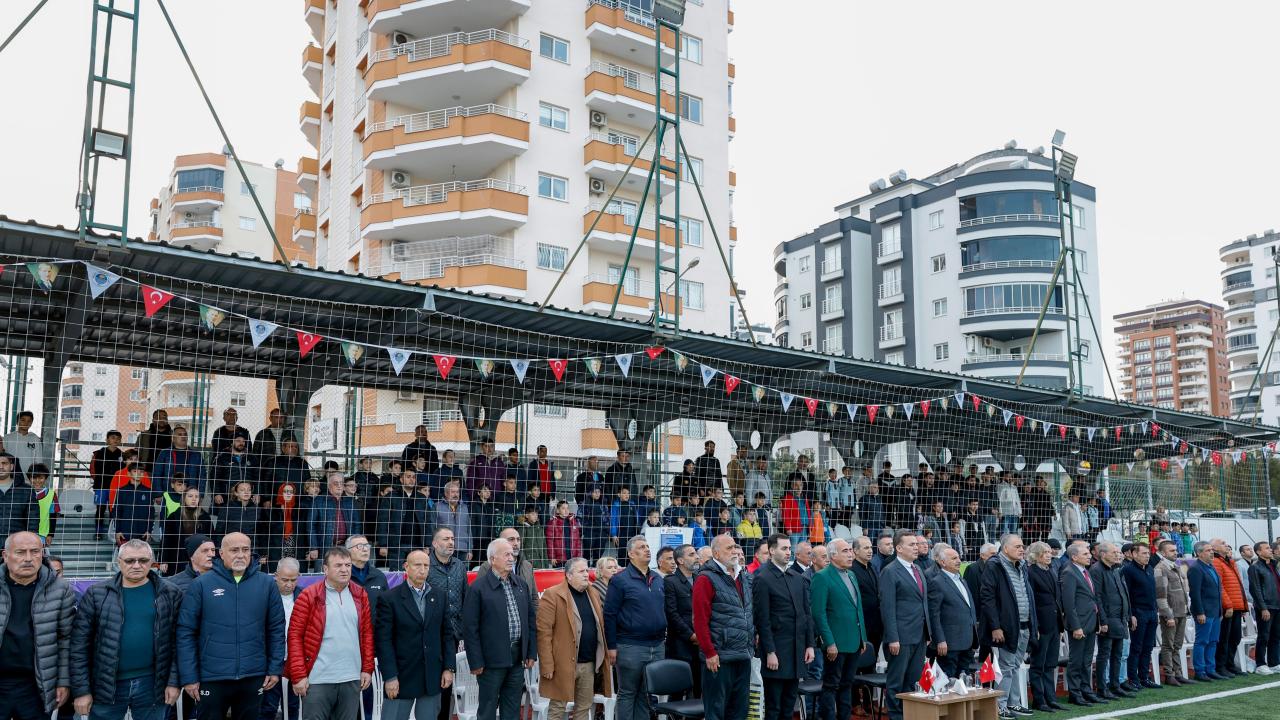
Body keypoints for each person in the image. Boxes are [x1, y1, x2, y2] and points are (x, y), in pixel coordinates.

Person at [176, 532, 286, 720]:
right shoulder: (201, 584)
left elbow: (276, 629)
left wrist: (275, 669)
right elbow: (185, 632)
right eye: (234, 550)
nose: (241, 555)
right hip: (212, 677)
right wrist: (189, 676)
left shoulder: (267, 584)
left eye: (245, 550)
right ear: (221, 553)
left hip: (253, 675)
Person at [70, 539, 181, 720]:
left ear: (152, 562)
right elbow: (79, 646)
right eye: (130, 561)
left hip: (153, 684)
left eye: (143, 560)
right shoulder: (97, 594)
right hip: (106, 685)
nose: (136, 565)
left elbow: (178, 642)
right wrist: (81, 690)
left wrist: (174, 682)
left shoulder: (170, 593)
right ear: (119, 562)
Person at [286, 546, 374, 720]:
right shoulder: (309, 596)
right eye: (338, 565)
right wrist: (298, 675)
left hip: (351, 679)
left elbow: (367, 634)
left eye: (348, 565)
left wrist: (367, 668)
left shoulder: (360, 594)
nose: (344, 569)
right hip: (317, 680)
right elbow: (294, 636)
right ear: (325, 569)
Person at [0, 531, 76, 719]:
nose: (28, 558)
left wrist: (63, 681)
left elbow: (66, 639)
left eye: (35, 551)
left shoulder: (60, 589)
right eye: (20, 552)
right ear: (5, 555)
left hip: (35, 686)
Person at [374, 550, 456, 720]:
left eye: (426, 565)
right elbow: (384, 641)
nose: (422, 569)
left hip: (431, 676)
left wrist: (449, 668)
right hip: (401, 676)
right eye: (417, 565)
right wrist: (390, 676)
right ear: (406, 567)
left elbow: (447, 635)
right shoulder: (389, 598)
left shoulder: (439, 596)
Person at [463, 538, 537, 720]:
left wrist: (530, 653)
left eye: (512, 554)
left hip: (517, 658)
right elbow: (470, 628)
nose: (511, 558)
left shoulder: (520, 584)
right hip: (490, 662)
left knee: (512, 709)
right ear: (492, 559)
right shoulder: (478, 588)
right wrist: (476, 662)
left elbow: (530, 620)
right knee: (487, 708)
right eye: (506, 554)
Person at [537, 557, 612, 720]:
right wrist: (547, 665)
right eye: (581, 571)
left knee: (583, 709)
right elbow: (544, 633)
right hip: (562, 664)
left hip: (589, 663)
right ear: (568, 575)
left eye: (587, 570)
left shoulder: (593, 592)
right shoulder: (553, 594)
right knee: (557, 708)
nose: (586, 574)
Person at [604, 535, 666, 720]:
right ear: (631, 554)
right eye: (641, 547)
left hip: (657, 645)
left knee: (645, 694)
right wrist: (612, 646)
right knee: (628, 692)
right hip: (630, 646)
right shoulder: (620, 580)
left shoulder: (657, 579)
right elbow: (609, 614)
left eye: (647, 546)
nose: (647, 549)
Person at [692, 534, 752, 720]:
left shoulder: (741, 575)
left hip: (742, 653)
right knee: (716, 710)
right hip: (719, 656)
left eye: (735, 546)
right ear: (716, 553)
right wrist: (709, 652)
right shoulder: (705, 578)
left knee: (739, 709)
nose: (734, 551)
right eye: (729, 548)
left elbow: (748, 612)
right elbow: (700, 620)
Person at [753, 534, 812, 720]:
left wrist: (810, 644)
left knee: (788, 705)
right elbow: (762, 619)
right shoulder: (762, 578)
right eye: (784, 549)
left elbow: (806, 614)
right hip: (776, 651)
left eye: (789, 548)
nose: (789, 552)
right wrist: (770, 651)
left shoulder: (797, 578)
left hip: (797, 651)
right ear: (771, 551)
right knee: (774, 707)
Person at [810, 538, 867, 720]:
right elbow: (819, 614)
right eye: (845, 551)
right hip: (835, 643)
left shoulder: (851, 575)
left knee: (847, 684)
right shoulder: (822, 577)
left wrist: (862, 638)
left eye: (850, 550)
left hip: (854, 641)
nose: (850, 554)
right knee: (831, 685)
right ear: (832, 555)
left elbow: (858, 608)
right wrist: (830, 642)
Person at [981, 534, 1036, 719]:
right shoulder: (994, 566)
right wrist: (996, 627)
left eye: (1023, 546)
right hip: (1006, 627)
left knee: (1014, 666)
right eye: (1018, 546)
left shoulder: (1022, 566)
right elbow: (987, 598)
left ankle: (1013, 703)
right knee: (1006, 667)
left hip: (1024, 625)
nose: (1022, 549)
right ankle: (1000, 706)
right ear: (1005, 549)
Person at [880, 530, 930, 720]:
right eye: (911, 545)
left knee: (912, 680)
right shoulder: (890, 571)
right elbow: (887, 607)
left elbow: (923, 603)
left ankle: (909, 715)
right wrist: (893, 637)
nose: (916, 547)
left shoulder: (917, 569)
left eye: (916, 544)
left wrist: (929, 632)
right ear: (899, 548)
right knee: (896, 682)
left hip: (919, 635)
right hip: (900, 637)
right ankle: (896, 715)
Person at [1060, 541, 1102, 706]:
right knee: (1076, 660)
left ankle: (1086, 690)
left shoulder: (1085, 571)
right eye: (1085, 554)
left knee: (1086, 660)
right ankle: (1075, 693)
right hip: (1079, 624)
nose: (1089, 555)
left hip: (1090, 622)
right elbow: (1069, 604)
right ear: (1074, 556)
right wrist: (1076, 626)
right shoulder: (1069, 573)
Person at [925, 542, 976, 681]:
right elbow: (934, 614)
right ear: (942, 562)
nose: (959, 561)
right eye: (954, 558)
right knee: (948, 682)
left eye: (958, 557)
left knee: (964, 682)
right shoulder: (937, 582)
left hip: (966, 641)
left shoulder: (961, 580)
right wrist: (940, 640)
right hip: (949, 644)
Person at [260, 558, 301, 720]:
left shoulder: (305, 596)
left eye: (293, 580)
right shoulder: (265, 596)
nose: (289, 584)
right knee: (267, 706)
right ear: (276, 576)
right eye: (285, 580)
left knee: (292, 706)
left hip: (295, 661)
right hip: (270, 660)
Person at [1091, 542, 1133, 700]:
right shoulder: (1097, 570)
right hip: (1108, 619)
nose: (1118, 554)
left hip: (1120, 619)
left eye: (1118, 552)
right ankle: (1102, 688)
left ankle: (1115, 685)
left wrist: (1128, 616)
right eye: (1114, 552)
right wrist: (1102, 621)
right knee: (1105, 654)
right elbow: (1098, 597)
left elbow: (1124, 594)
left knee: (1117, 654)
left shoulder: (1116, 569)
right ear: (1103, 555)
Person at [1026, 541, 1065, 711]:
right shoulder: (1030, 572)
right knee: (1038, 664)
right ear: (1036, 555)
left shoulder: (1052, 571)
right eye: (1045, 552)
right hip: (1041, 626)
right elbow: (1031, 602)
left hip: (1055, 624)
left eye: (1050, 552)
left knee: (1050, 664)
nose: (1049, 555)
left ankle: (1051, 698)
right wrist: (1035, 628)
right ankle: (1039, 700)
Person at [664, 544, 700, 699]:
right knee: (678, 690)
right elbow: (672, 614)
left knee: (699, 687)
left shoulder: (700, 579)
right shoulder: (670, 582)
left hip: (701, 644)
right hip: (680, 645)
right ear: (680, 560)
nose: (697, 557)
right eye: (691, 554)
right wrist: (691, 635)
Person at [1153, 539, 1191, 685]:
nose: (1176, 553)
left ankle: (1178, 673)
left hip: (1181, 611)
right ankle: (1169, 675)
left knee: (1178, 645)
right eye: (1172, 551)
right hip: (1171, 613)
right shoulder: (1160, 568)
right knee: (1168, 645)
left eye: (1176, 550)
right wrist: (1168, 615)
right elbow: (1161, 595)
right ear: (1162, 552)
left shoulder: (1176, 565)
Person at [1123, 543, 1160, 688]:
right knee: (1136, 647)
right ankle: (1133, 678)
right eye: (1144, 553)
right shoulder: (1128, 570)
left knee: (1148, 647)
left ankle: (1144, 677)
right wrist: (1131, 615)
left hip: (1151, 612)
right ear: (1134, 554)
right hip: (1138, 613)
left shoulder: (1150, 569)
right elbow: (1127, 595)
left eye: (1148, 553)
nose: (1147, 556)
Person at [1187, 541, 1225, 681]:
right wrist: (1199, 612)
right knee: (1202, 641)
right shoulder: (1196, 568)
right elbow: (1195, 593)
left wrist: (1220, 610)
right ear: (1199, 553)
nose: (1211, 552)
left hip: (1215, 611)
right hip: (1204, 612)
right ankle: (1200, 671)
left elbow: (1217, 590)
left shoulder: (1211, 567)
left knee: (1213, 641)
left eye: (1212, 550)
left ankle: (1210, 669)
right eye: (1208, 550)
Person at [308, 472, 361, 570]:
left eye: (341, 483)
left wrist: (355, 545)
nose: (339, 486)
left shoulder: (350, 502)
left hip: (345, 547)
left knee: (344, 576)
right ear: (329, 486)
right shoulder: (319, 501)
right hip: (324, 547)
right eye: (336, 483)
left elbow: (356, 525)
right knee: (322, 576)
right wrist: (313, 547)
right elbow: (311, 525)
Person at [378, 470, 429, 566]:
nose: (412, 480)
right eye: (408, 477)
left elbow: (428, 522)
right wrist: (383, 544)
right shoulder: (391, 497)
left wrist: (427, 545)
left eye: (413, 477)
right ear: (401, 479)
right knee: (397, 576)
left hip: (417, 545)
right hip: (396, 546)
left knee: (416, 575)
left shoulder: (421, 498)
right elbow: (383, 522)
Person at [1212, 539, 1248, 676]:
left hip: (1236, 606)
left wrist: (1243, 606)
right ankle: (1220, 666)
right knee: (1224, 638)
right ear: (1215, 549)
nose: (1226, 545)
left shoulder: (1230, 562)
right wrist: (1228, 605)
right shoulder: (1216, 562)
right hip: (1228, 607)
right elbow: (1220, 586)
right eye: (1222, 543)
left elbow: (1239, 586)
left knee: (1235, 637)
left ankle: (1230, 664)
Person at [161, 487, 212, 575]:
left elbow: (211, 538)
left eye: (196, 497)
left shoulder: (205, 517)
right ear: (184, 498)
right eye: (190, 496)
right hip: (177, 558)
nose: (194, 499)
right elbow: (166, 539)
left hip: (199, 559)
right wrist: (163, 560)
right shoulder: (174, 516)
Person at [1248, 540, 1280, 673]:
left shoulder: (1273, 565)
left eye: (1270, 548)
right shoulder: (1255, 567)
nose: (1270, 550)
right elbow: (1255, 590)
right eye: (1267, 548)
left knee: (1276, 636)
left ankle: (1274, 663)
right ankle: (1261, 664)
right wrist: (1263, 608)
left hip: (1277, 605)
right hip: (1266, 607)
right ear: (1259, 552)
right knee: (1264, 635)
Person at [153, 426, 207, 495]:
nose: (183, 436)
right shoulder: (165, 453)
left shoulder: (196, 455)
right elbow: (157, 474)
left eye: (185, 434)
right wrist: (158, 493)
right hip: (168, 492)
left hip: (190, 493)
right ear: (173, 438)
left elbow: (202, 476)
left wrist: (200, 494)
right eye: (180, 435)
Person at [113, 461, 154, 544]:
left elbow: (151, 513)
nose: (138, 474)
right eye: (135, 471)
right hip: (125, 533)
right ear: (129, 474)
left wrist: (149, 530)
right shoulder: (122, 490)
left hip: (142, 533)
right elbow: (117, 511)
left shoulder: (148, 491)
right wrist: (118, 531)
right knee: (125, 556)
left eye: (141, 472)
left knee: (141, 556)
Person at [435, 481, 472, 563]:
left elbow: (469, 529)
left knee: (462, 574)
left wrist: (470, 549)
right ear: (446, 493)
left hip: (462, 549)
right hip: (444, 548)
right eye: (453, 492)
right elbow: (433, 528)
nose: (456, 495)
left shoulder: (465, 507)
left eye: (457, 492)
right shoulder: (437, 506)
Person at [2, 411, 44, 482]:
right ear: (17, 422)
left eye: (29, 421)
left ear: (31, 423)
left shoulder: (35, 438)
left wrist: (36, 476)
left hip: (28, 477)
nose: (26, 423)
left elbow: (39, 459)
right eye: (23, 420)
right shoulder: (7, 438)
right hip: (10, 476)